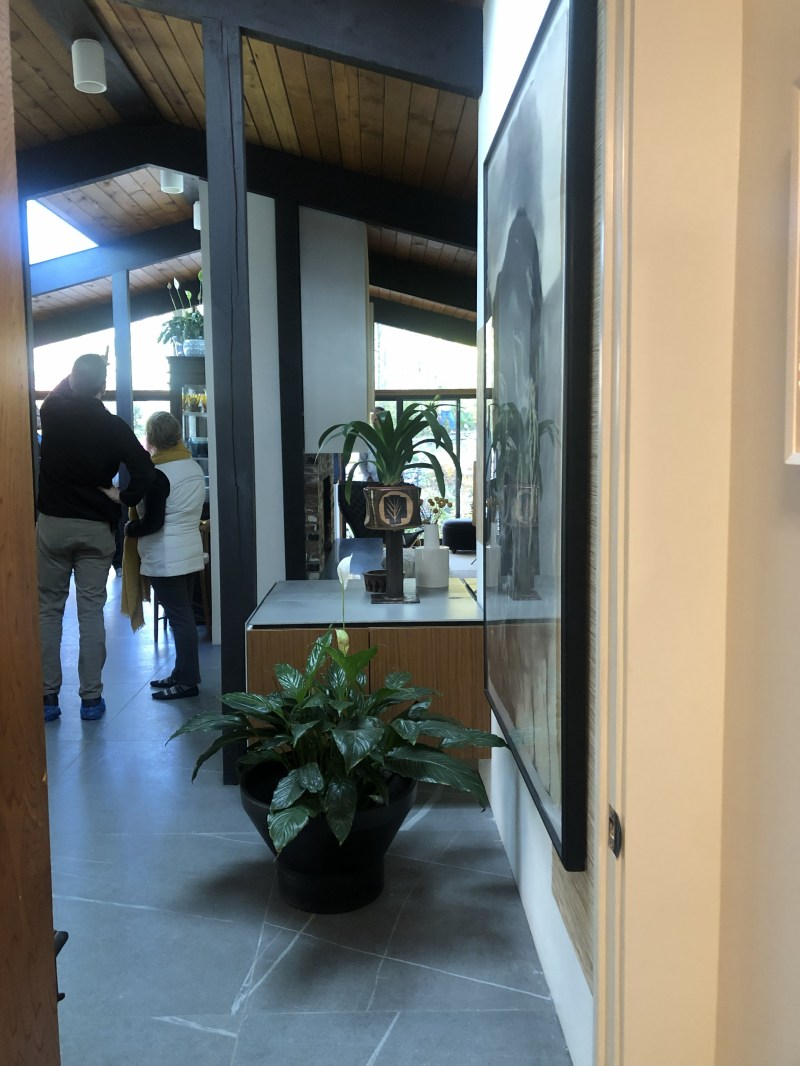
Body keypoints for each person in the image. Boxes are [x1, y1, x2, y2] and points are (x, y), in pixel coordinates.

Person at [37, 353, 156, 722]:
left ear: (72, 379)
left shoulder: (52, 412)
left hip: (53, 525)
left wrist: (79, 373)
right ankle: (91, 699)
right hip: (94, 527)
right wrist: (125, 497)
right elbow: (146, 471)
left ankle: (48, 698)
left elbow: (62, 390)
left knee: (48, 611)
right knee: (90, 613)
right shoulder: (114, 426)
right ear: (103, 388)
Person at [121, 411, 206, 702]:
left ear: (152, 439)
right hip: (190, 549)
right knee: (182, 617)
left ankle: (188, 681)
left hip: (165, 555)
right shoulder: (192, 466)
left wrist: (130, 528)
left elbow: (154, 522)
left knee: (180, 619)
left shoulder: (158, 474)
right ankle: (181, 673)